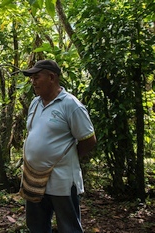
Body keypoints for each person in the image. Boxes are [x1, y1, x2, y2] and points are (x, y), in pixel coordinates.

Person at [21, 60, 97, 233]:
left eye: (36, 77)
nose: (33, 82)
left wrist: (67, 158)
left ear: (52, 77)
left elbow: (89, 140)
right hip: (34, 180)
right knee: (36, 226)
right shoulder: (35, 103)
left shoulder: (71, 105)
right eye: (31, 78)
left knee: (68, 227)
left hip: (62, 180)